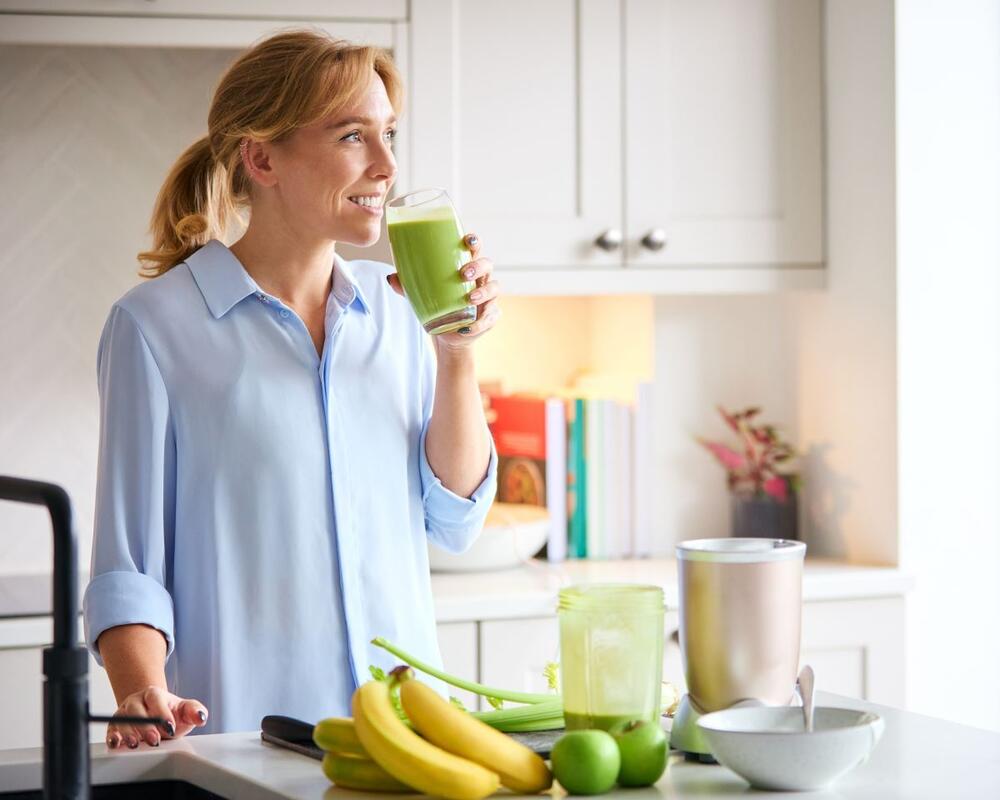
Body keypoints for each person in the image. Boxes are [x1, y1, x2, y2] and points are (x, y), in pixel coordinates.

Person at [83, 30, 500, 750]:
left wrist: (457, 355)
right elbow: (129, 568)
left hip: (406, 747)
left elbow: (455, 521)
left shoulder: (401, 314)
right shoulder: (155, 329)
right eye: (352, 136)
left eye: (389, 134)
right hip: (245, 749)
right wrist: (138, 689)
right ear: (262, 157)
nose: (387, 164)